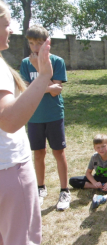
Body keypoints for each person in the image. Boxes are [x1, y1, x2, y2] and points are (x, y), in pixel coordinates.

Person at [0, 0, 53, 245]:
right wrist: (43, 77)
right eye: (7, 22)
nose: (10, 29)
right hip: (8, 170)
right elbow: (9, 120)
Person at [20, 25, 70, 210]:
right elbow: (25, 89)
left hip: (53, 114)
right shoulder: (25, 63)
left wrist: (40, 70)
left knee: (59, 153)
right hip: (34, 116)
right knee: (38, 153)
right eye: (31, 43)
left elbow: (56, 92)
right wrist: (46, 86)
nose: (35, 47)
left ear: (47, 43)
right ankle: (40, 188)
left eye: (39, 43)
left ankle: (64, 190)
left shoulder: (56, 61)